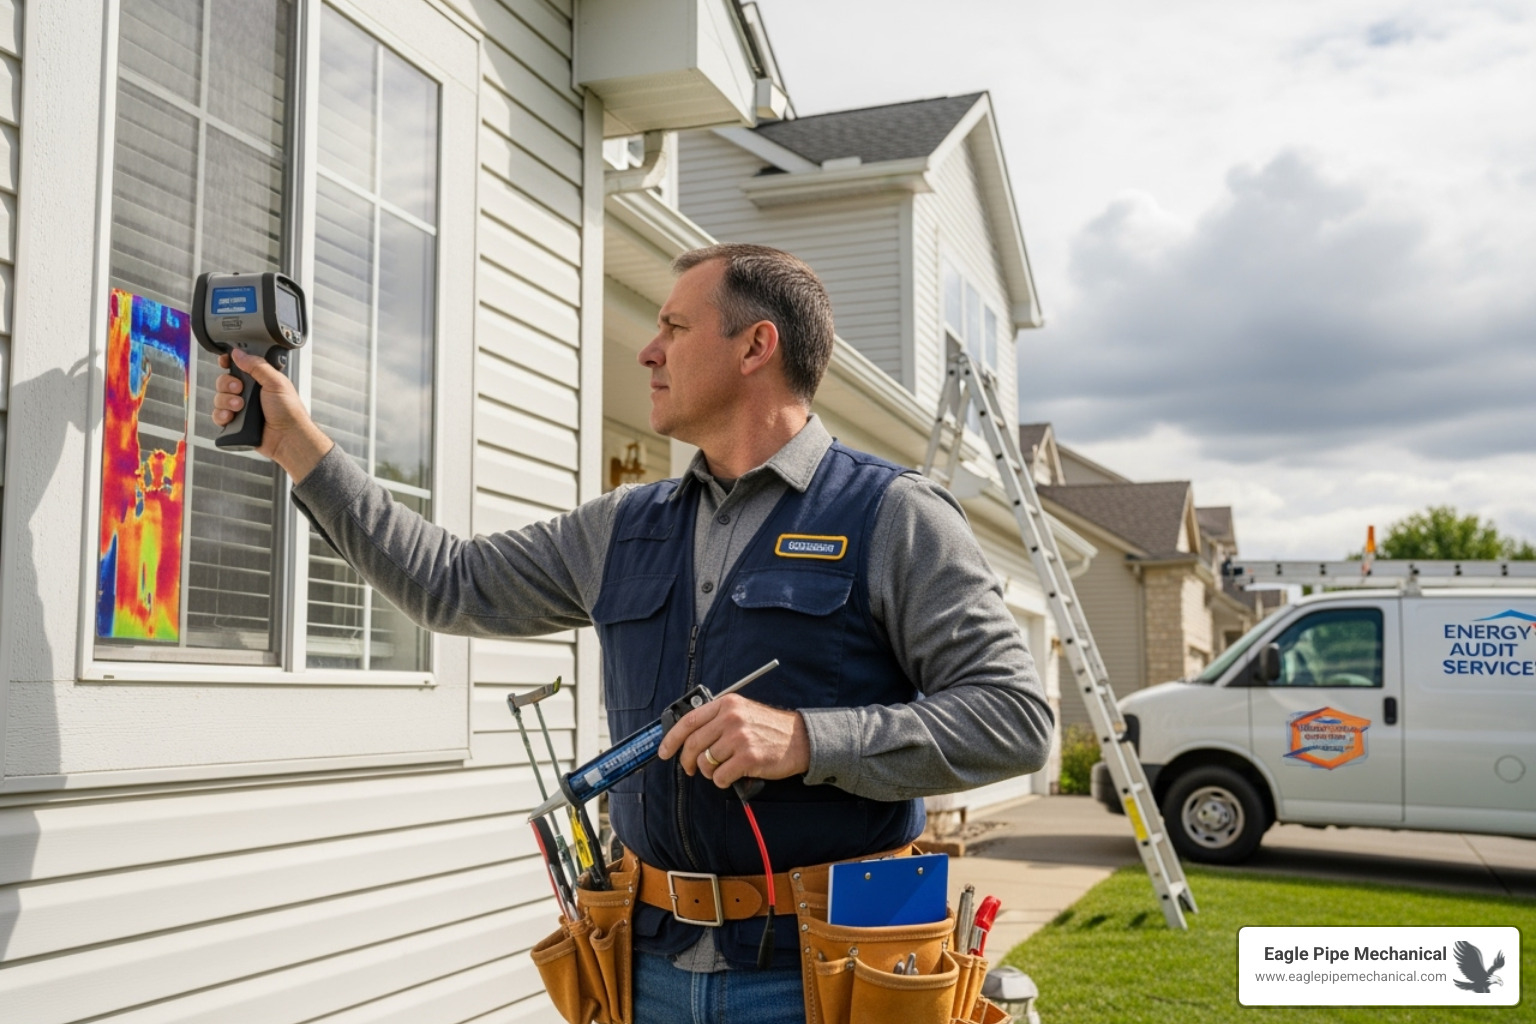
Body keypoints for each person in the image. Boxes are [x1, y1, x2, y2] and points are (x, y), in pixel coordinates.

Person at [213, 243, 1054, 1023]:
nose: (648, 351)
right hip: (644, 966)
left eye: (674, 328)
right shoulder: (622, 526)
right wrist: (295, 444)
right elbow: (449, 584)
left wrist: (806, 738)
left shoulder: (890, 515)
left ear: (756, 347)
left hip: (820, 976)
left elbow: (1014, 718)